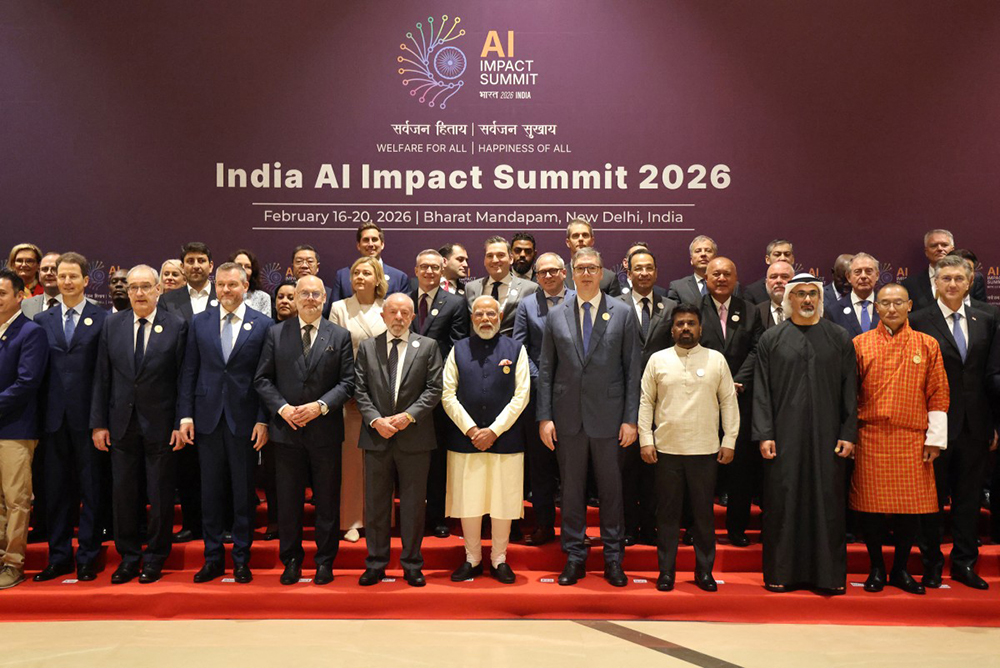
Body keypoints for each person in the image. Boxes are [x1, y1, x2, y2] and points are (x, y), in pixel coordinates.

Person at [538, 247, 640, 587]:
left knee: (611, 492)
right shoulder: (556, 315)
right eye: (579, 268)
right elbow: (547, 370)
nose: (585, 273)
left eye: (591, 268)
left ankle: (613, 558)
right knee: (571, 492)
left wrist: (630, 419)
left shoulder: (623, 313)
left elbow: (632, 372)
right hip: (567, 419)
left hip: (610, 420)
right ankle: (575, 557)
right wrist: (544, 417)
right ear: (571, 272)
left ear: (601, 272)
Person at [753, 273, 857, 594]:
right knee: (784, 501)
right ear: (789, 299)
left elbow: (849, 391)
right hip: (783, 438)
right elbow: (762, 392)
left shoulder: (838, 337)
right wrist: (764, 433)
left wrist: (848, 432)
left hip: (829, 438)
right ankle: (781, 574)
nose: (808, 300)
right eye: (801, 294)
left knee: (827, 502)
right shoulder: (772, 339)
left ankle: (827, 578)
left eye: (813, 294)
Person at [90, 264, 188, 584]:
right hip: (121, 424)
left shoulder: (176, 325)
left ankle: (156, 558)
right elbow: (102, 377)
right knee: (124, 494)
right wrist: (98, 423)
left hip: (161, 425)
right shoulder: (112, 325)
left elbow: (183, 378)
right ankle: (129, 557)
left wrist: (181, 420)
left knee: (160, 496)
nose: (139, 293)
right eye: (133, 287)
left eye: (146, 286)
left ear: (159, 289)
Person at [254, 274, 354, 586]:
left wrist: (320, 406)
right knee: (288, 502)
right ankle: (292, 561)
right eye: (304, 294)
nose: (310, 299)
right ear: (294, 299)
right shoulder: (275, 333)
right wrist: (282, 409)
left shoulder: (340, 336)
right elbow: (263, 379)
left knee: (326, 502)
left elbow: (348, 382)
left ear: (324, 299)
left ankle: (325, 562)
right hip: (286, 432)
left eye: (316, 294)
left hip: (324, 432)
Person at [851, 283, 949, 595]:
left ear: (909, 305)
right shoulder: (859, 344)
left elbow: (938, 392)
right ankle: (877, 568)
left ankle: (901, 569)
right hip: (871, 436)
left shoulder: (927, 344)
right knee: (872, 509)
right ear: (875, 307)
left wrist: (935, 439)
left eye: (898, 303)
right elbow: (849, 395)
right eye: (885, 303)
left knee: (912, 509)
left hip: (913, 438)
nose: (891, 309)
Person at [178, 262, 272, 584]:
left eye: (233, 285)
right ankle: (213, 558)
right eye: (221, 285)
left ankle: (242, 559)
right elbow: (189, 371)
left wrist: (263, 420)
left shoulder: (263, 325)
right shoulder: (199, 323)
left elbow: (265, 379)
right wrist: (185, 415)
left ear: (245, 287)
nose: (226, 291)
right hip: (206, 419)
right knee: (211, 493)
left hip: (244, 421)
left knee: (243, 493)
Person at [910, 255, 998, 590]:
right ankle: (931, 564)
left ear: (970, 280)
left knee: (968, 500)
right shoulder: (919, 319)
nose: (951, 285)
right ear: (935, 281)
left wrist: (994, 425)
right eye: (945, 278)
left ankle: (964, 564)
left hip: (976, 426)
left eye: (958, 279)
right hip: (933, 427)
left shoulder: (988, 317)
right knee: (931, 501)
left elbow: (991, 374)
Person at [639, 304, 738, 592]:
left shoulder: (716, 360)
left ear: (700, 329)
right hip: (666, 450)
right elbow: (646, 402)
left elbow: (729, 402)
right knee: (667, 516)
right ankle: (666, 572)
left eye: (691, 324)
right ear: (672, 329)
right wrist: (646, 439)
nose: (685, 328)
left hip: (705, 451)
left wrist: (729, 440)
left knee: (704, 516)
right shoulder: (658, 360)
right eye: (680, 323)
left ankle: (704, 572)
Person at [354, 293, 443, 587]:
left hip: (414, 438)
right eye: (393, 312)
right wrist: (376, 420)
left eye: (405, 313)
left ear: (412, 317)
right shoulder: (367, 348)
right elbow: (360, 389)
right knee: (377, 506)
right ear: (383, 315)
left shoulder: (428, 347)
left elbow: (433, 389)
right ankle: (376, 564)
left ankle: (412, 563)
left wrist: (407, 417)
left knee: (414, 506)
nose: (399, 318)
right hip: (376, 436)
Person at [443, 296, 530, 584]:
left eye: (491, 313)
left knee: (503, 500)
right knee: (469, 500)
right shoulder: (458, 349)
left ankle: (499, 559)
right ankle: (472, 558)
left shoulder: (516, 349)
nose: (485, 319)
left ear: (500, 315)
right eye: (479, 314)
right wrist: (471, 430)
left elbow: (522, 396)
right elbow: (447, 395)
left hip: (505, 440)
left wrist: (494, 430)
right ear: (472, 317)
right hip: (465, 439)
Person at [32, 253, 108, 583]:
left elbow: (104, 377)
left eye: (72, 276)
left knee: (91, 490)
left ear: (86, 280)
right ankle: (59, 555)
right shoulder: (43, 320)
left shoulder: (102, 318)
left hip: (88, 421)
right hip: (52, 421)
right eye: (61, 276)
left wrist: (99, 420)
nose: (65, 281)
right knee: (56, 492)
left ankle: (89, 555)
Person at [700, 257, 764, 546]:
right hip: (703, 400)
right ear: (706, 277)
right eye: (716, 274)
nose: (722, 278)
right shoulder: (694, 310)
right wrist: (716, 384)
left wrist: (737, 381)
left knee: (740, 471)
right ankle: (697, 528)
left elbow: (757, 350)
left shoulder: (750, 311)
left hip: (741, 398)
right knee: (702, 469)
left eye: (727, 273)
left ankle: (736, 529)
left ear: (736, 277)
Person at [513, 253, 574, 546]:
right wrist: (542, 381)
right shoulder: (526, 305)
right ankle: (544, 526)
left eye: (553, 271)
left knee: (575, 467)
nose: (548, 276)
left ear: (564, 272)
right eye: (542, 273)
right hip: (539, 397)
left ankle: (575, 531)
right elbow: (520, 348)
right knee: (540, 466)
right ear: (536, 277)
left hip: (578, 395)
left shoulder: (580, 299)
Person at [157, 241, 215, 543]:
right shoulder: (168, 300)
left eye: (201, 260)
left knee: (220, 465)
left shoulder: (225, 294)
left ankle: (222, 523)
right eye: (190, 261)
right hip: (182, 387)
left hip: (220, 390)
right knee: (188, 465)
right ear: (183, 266)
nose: (195, 265)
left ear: (210, 265)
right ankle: (192, 522)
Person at [409, 249, 469, 538]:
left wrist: (435, 379)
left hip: (439, 390)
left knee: (437, 458)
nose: (430, 272)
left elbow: (457, 346)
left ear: (442, 268)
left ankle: (438, 516)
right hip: (403, 390)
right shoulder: (402, 297)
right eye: (424, 267)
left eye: (435, 267)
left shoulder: (455, 303)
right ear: (416, 269)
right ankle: (408, 516)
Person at [329, 257, 387, 543]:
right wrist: (349, 390)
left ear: (378, 278)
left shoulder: (387, 308)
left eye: (366, 272)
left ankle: (380, 519)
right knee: (351, 462)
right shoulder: (340, 308)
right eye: (355, 272)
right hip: (350, 397)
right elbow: (333, 353)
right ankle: (352, 520)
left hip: (383, 398)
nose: (360, 277)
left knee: (380, 461)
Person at [619, 248, 675, 546]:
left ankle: (651, 526)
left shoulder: (671, 306)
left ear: (656, 272)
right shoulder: (614, 306)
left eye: (649, 268)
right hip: (623, 399)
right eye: (638, 268)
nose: (644, 273)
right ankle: (628, 527)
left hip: (662, 401)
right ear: (628, 273)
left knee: (656, 469)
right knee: (626, 470)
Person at [0, 268, 49, 589]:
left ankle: (12, 563)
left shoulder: (30, 332)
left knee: (15, 500)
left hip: (15, 429)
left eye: (2, 293)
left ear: (20, 296)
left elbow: (27, 383)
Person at [258, 277, 298, 540]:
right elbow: (262, 376)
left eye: (290, 296)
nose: (284, 301)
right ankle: (274, 520)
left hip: (309, 415)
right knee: (274, 475)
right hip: (275, 415)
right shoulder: (267, 331)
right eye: (280, 296)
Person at [464, 236, 539, 337]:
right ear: (484, 260)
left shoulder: (530, 289)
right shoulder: (471, 288)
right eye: (490, 256)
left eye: (501, 255)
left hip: (513, 349)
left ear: (511, 258)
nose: (495, 260)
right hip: (477, 350)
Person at [902, 229, 987, 311]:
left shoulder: (974, 278)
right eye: (934, 245)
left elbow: (982, 312)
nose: (939, 248)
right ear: (926, 252)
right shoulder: (910, 284)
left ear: (952, 249)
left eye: (944, 245)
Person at [330, 223, 410, 302]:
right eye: (366, 240)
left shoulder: (399, 278)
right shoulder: (342, 276)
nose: (370, 244)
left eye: (374, 239)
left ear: (382, 244)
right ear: (358, 245)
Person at [826, 253, 880, 337]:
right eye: (857, 272)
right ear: (848, 277)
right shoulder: (834, 311)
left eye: (868, 271)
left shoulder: (887, 308)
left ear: (877, 275)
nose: (863, 276)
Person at [563, 220, 622, 297]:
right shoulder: (559, 276)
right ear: (568, 242)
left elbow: (615, 307)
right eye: (575, 236)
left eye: (585, 235)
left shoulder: (609, 278)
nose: (580, 239)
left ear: (592, 241)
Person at [667, 235, 717, 305]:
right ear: (691, 260)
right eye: (698, 251)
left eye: (708, 251)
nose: (703, 254)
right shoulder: (678, 287)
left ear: (715, 258)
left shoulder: (730, 285)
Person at [743, 239, 795, 305]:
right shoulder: (753, 292)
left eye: (787, 254)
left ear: (793, 259)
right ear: (767, 259)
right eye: (777, 254)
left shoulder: (804, 286)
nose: (783, 258)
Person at [20, 252, 61, 318]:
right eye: (45, 269)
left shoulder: (75, 303)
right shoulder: (25, 305)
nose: (49, 273)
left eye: (54, 269)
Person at [230, 249, 272, 315]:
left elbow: (265, 324)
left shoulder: (263, 297)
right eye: (238, 265)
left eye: (248, 267)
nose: (243, 269)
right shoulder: (223, 293)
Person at [757, 261, 794, 330]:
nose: (779, 281)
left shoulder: (804, 310)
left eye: (785, 277)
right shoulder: (756, 313)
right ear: (766, 283)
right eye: (773, 277)